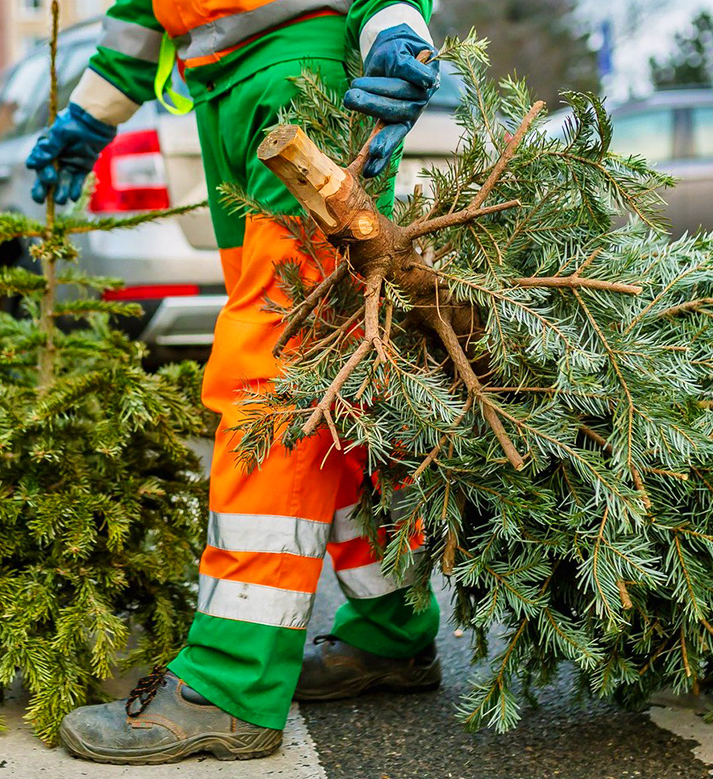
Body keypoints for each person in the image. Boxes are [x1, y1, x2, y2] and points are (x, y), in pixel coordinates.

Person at [27, 0, 442, 765]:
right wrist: (91, 116)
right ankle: (394, 625)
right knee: (329, 382)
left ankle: (230, 684)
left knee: (276, 381)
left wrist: (394, 30)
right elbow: (134, 15)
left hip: (300, 83)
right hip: (222, 94)